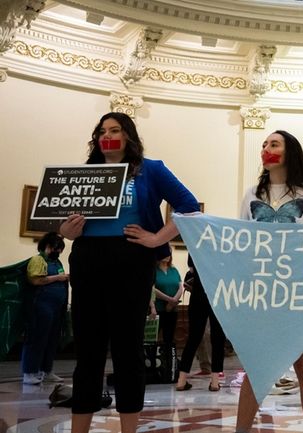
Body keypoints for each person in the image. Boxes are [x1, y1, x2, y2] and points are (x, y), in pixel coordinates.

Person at [59, 112, 199, 433]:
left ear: (128, 136)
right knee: (88, 352)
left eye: (115, 130)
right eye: (102, 131)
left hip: (131, 261)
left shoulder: (151, 170)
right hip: (87, 261)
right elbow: (64, 222)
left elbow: (188, 206)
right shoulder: (86, 174)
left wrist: (156, 238)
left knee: (128, 350)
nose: (107, 136)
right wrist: (67, 231)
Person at [235, 130, 303, 433]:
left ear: (290, 153)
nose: (266, 149)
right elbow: (241, 239)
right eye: (263, 144)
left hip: (296, 292)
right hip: (261, 292)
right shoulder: (252, 194)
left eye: (273, 144)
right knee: (254, 367)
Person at [21, 232, 68, 385]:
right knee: (37, 339)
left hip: (56, 308)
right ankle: (29, 372)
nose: (59, 252)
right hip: (41, 306)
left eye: (60, 249)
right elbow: (35, 280)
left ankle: (46, 370)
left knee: (52, 340)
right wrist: (58, 278)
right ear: (47, 247)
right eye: (56, 248)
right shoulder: (37, 260)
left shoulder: (58, 263)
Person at [175, 256, 226, 392]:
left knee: (193, 338)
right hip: (218, 293)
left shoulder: (197, 243)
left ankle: (181, 380)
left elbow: (191, 270)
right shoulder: (222, 246)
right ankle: (215, 382)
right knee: (217, 337)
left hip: (198, 293)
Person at [152, 255, 184, 347]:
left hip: (172, 309)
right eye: (165, 253)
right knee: (152, 338)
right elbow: (152, 288)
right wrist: (170, 299)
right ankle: (152, 359)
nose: (168, 255)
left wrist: (173, 301)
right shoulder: (154, 270)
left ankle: (168, 359)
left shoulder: (174, 270)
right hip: (157, 309)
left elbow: (181, 287)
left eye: (169, 253)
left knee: (169, 338)